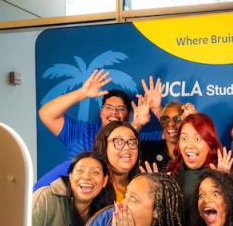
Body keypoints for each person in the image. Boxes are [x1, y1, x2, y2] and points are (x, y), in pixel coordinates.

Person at [35, 72, 163, 189]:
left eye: (121, 109)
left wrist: (157, 110)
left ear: (128, 115)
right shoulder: (81, 131)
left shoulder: (136, 139)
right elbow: (46, 114)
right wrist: (82, 93)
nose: (114, 112)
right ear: (101, 112)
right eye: (109, 107)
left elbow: (173, 137)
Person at [140, 101, 197, 172]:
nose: (171, 124)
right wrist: (137, 124)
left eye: (177, 119)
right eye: (165, 119)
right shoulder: (149, 149)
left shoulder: (194, 151)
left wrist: (194, 122)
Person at [92, 121, 141, 202]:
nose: (126, 148)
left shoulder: (142, 187)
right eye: (119, 142)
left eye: (132, 142)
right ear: (104, 147)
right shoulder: (94, 185)